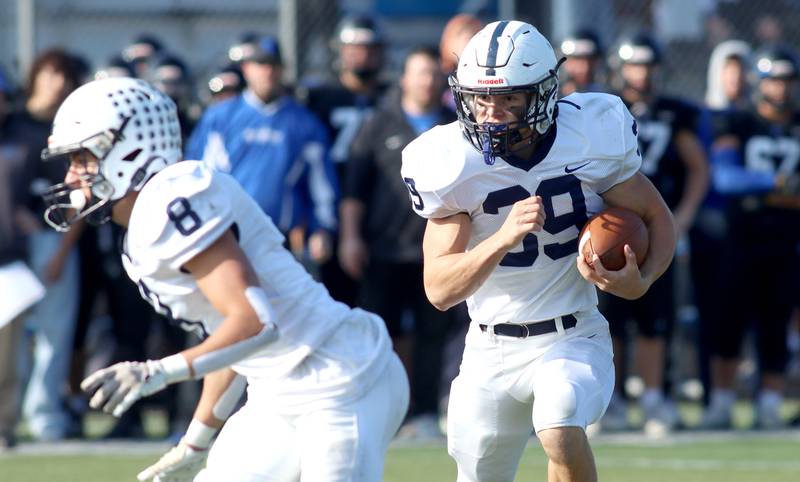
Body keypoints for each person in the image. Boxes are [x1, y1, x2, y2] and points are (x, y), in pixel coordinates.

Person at [41, 76, 409, 481]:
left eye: (82, 159)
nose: (73, 177)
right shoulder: (145, 222)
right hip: (276, 389)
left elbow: (254, 322)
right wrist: (194, 444)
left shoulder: (171, 199)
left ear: (128, 150)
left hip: (341, 376)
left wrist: (156, 372)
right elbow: (231, 340)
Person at [401, 20, 676, 482]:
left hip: (571, 334)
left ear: (545, 93)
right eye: (481, 98)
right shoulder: (448, 161)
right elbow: (439, 288)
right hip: (489, 345)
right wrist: (501, 239)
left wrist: (642, 278)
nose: (491, 112)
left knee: (560, 423)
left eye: (509, 98)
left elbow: (656, 217)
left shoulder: (590, 134)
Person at [339, 46, 455, 439]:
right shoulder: (377, 123)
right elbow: (354, 190)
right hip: (384, 249)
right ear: (403, 78)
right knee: (377, 334)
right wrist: (350, 237)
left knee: (432, 336)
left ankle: (424, 413)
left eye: (432, 73)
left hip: (438, 251)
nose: (427, 80)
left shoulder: (454, 125)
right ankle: (377, 410)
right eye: (419, 73)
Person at [600, 33, 708, 435]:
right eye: (635, 65)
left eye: (647, 65)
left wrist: (683, 216)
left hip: (654, 224)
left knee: (653, 317)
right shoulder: (604, 108)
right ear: (620, 67)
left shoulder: (671, 113)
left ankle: (651, 400)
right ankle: (608, 401)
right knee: (608, 318)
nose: (642, 74)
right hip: (609, 225)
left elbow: (697, 166)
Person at [701, 45, 800, 430]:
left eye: (786, 80)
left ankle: (771, 402)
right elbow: (726, 178)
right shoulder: (737, 122)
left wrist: (764, 189)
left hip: (786, 241)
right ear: (760, 83)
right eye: (773, 80)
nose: (780, 89)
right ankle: (723, 401)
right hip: (741, 238)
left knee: (776, 322)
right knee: (729, 320)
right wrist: (776, 183)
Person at [185, 36, 338, 264]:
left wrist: (322, 228)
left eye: (274, 65)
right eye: (260, 64)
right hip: (225, 232)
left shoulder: (304, 123)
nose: (268, 72)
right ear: (246, 69)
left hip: (277, 235)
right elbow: (196, 173)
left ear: (282, 70)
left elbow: (320, 183)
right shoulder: (220, 117)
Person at [10, 49, 85, 442]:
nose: (57, 82)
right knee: (14, 336)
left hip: (56, 239)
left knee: (55, 334)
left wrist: (63, 249)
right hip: (15, 245)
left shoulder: (71, 126)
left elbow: (82, 195)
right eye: (51, 73)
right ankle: (11, 412)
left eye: (65, 75)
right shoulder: (13, 124)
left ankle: (45, 415)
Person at [299, 15, 388, 306]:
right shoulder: (319, 98)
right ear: (341, 51)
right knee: (334, 299)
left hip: (382, 207)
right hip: (332, 208)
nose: (363, 55)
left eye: (370, 48)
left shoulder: (391, 98)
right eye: (355, 48)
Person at [558, 28, 607, 96]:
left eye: (590, 60)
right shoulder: (550, 99)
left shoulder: (611, 100)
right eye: (576, 59)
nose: (584, 68)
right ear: (565, 61)